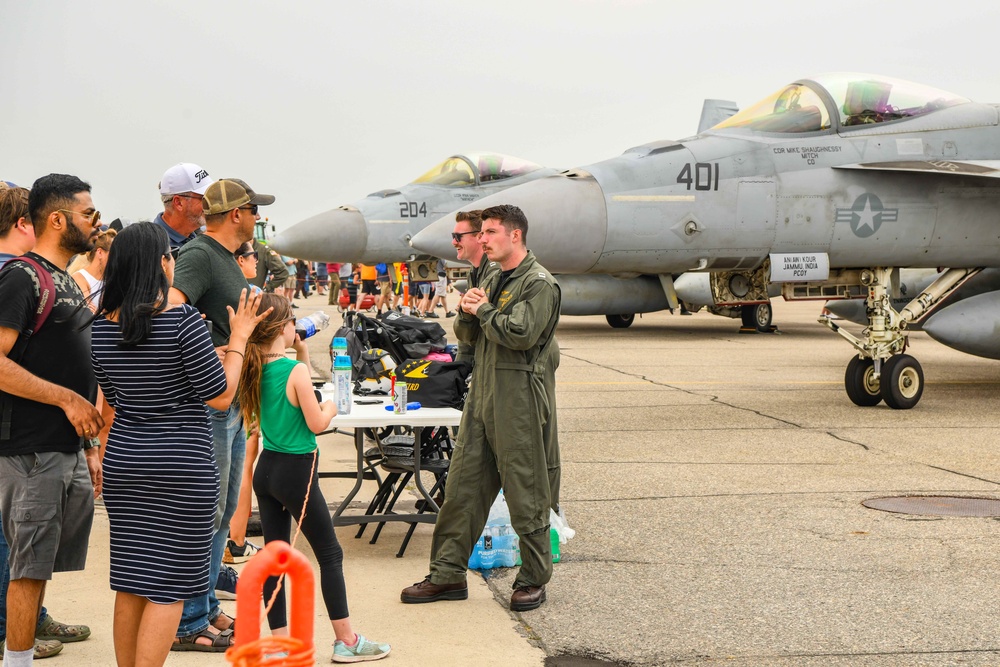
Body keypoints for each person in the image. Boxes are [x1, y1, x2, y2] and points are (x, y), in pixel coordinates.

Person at [90, 222, 268, 665]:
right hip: (181, 466)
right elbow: (221, 394)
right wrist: (239, 337)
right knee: (169, 586)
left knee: (131, 581)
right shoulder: (181, 321)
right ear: (161, 264)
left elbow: (112, 400)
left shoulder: (100, 329)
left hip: (127, 463)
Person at [401, 204, 561, 612]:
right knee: (463, 488)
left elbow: (521, 333)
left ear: (515, 235)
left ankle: (533, 579)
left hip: (518, 397)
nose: (483, 239)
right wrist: (470, 310)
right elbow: (468, 333)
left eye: (490, 232)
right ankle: (447, 574)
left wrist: (483, 309)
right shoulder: (492, 274)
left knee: (526, 490)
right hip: (484, 393)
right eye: (482, 232)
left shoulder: (538, 283)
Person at [236, 293, 390, 663]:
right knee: (330, 554)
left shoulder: (257, 365)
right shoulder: (294, 372)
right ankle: (346, 640)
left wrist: (302, 353)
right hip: (296, 470)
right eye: (293, 323)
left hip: (268, 469)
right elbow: (317, 422)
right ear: (283, 327)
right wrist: (335, 403)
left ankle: (280, 642)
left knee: (276, 557)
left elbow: (287, 393)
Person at [0, 174, 105, 667]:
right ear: (58, 219)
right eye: (88, 213)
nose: (95, 220)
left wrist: (88, 448)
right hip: (30, 449)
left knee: (39, 568)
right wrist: (65, 400)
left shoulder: (63, 279)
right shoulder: (21, 277)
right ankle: (17, 660)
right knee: (26, 567)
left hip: (63, 449)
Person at [167, 178, 273, 651]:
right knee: (207, 513)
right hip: (207, 405)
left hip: (229, 403)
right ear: (236, 214)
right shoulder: (199, 255)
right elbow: (171, 313)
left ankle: (205, 607)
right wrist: (217, 347)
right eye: (254, 209)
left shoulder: (225, 257)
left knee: (224, 510)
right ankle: (189, 621)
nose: (258, 217)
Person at [223, 241, 264, 564]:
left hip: (238, 382)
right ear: (240, 259)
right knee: (244, 467)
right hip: (242, 382)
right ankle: (234, 541)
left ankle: (233, 541)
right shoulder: (248, 293)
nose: (256, 262)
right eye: (253, 257)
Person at [153, 163, 214, 253]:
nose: (210, 204)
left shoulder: (202, 237)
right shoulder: (153, 247)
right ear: (178, 203)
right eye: (204, 199)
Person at [71, 229, 116, 312]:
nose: (117, 258)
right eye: (114, 254)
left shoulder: (112, 279)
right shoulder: (79, 278)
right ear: (100, 253)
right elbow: (88, 313)